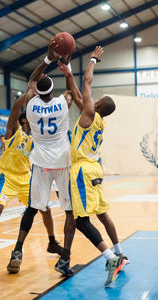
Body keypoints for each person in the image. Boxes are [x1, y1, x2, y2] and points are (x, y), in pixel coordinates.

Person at [59, 46, 129, 287]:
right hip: (95, 169)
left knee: (80, 220)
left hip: (82, 171)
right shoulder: (94, 118)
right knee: (102, 213)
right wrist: (68, 72)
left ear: (97, 104)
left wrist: (93, 59)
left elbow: (86, 82)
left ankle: (111, 259)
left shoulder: (90, 111)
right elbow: (77, 93)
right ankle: (120, 252)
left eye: (96, 99)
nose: (92, 98)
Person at [7, 39, 76, 276]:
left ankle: (17, 250)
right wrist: (66, 63)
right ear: (53, 93)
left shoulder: (32, 104)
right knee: (69, 211)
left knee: (33, 208)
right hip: (62, 163)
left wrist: (48, 56)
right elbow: (71, 89)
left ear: (38, 92)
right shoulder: (62, 104)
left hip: (40, 163)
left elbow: (32, 80)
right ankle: (64, 259)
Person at [0, 94, 62, 263]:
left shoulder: (35, 139)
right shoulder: (13, 131)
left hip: (26, 179)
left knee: (46, 209)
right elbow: (14, 110)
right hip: (7, 177)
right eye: (29, 118)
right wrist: (27, 96)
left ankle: (52, 242)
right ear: (24, 121)